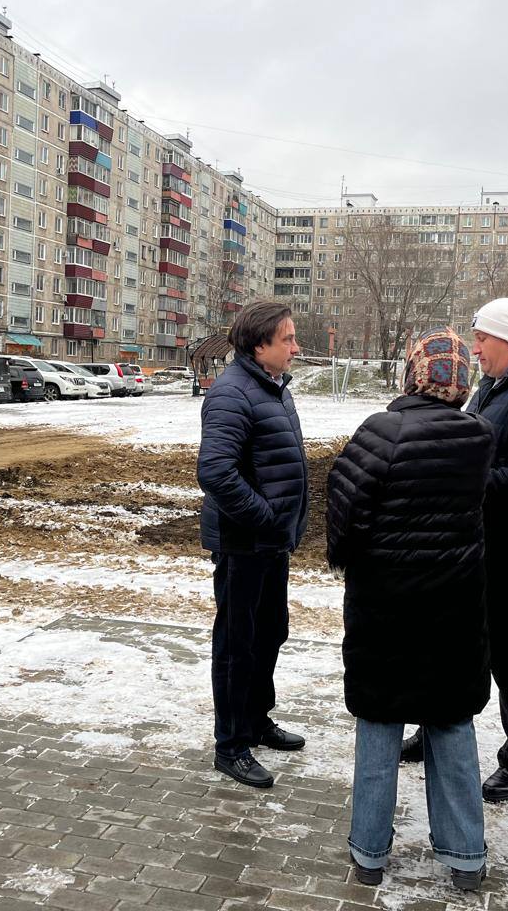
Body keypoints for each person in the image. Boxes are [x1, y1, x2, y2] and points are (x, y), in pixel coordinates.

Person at [327, 327, 496, 892]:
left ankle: (370, 852)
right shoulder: (479, 435)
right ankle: (467, 857)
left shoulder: (383, 431)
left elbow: (345, 507)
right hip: (454, 604)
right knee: (451, 721)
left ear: (412, 373)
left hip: (387, 606)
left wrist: (348, 557)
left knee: (379, 722)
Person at [400, 299, 508, 808]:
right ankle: (433, 731)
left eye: (481, 339)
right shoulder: (496, 384)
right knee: (452, 642)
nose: (473, 349)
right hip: (475, 540)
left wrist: (461, 483)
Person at [198, 301, 309, 789]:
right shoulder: (231, 394)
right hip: (244, 543)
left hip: (271, 544)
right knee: (236, 645)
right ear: (259, 343)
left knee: (270, 633)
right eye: (288, 339)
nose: (296, 346)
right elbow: (216, 472)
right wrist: (265, 518)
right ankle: (231, 744)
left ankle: (257, 721)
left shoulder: (272, 387)